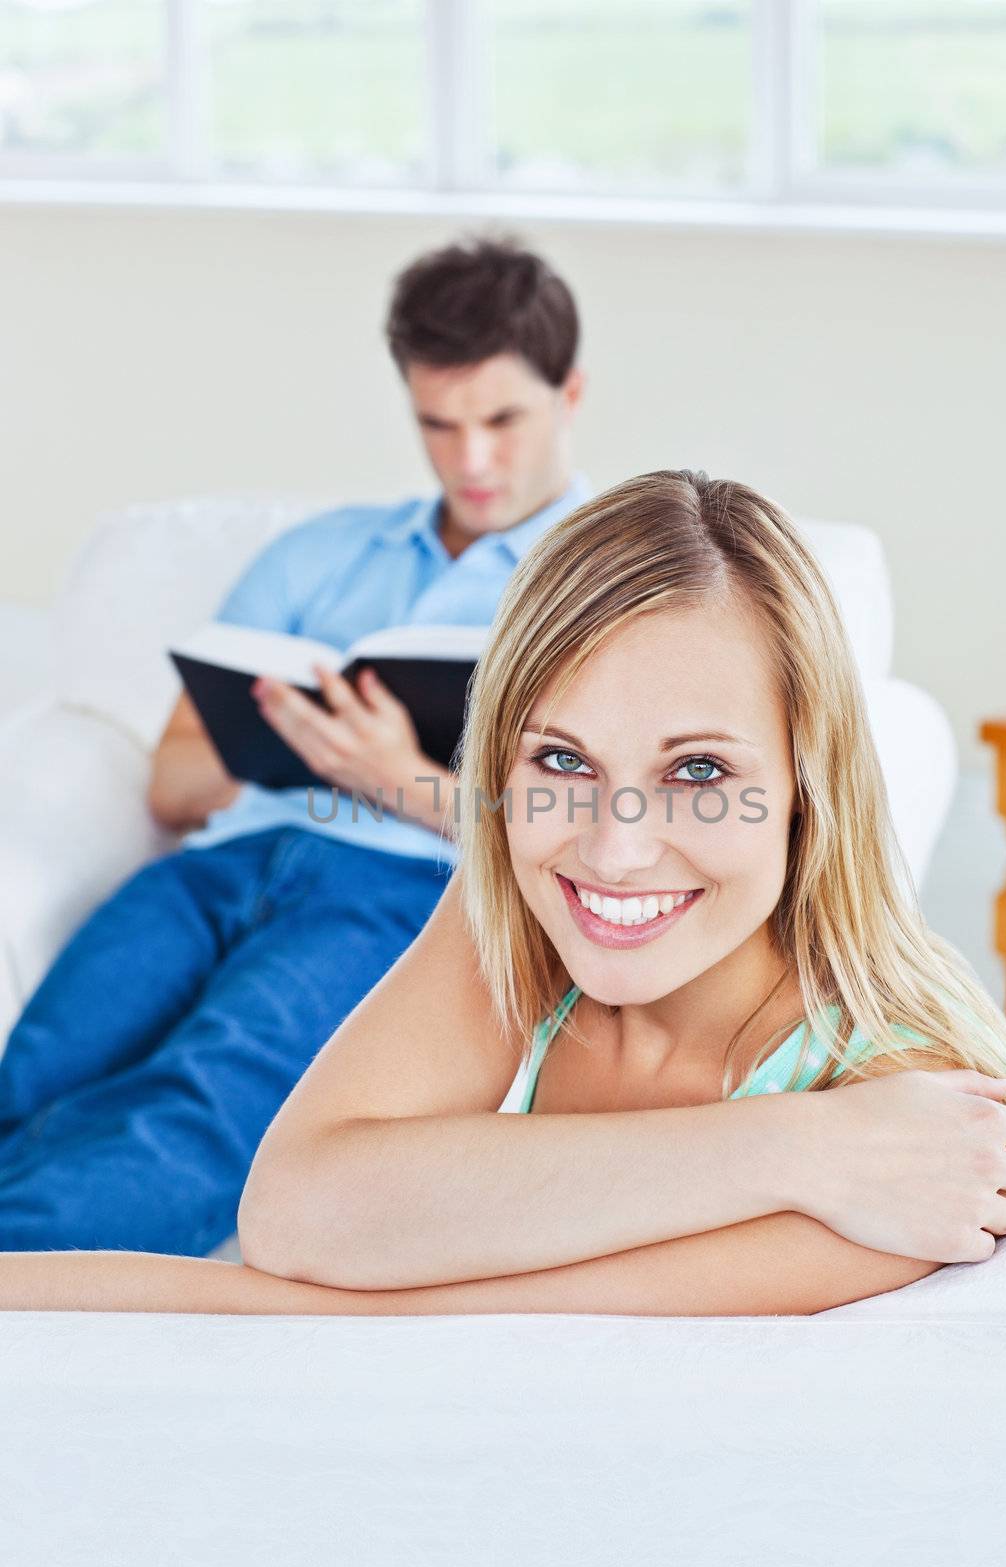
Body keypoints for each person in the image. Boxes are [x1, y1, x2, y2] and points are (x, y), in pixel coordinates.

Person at [0, 471, 1006, 1317]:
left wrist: (399, 1255)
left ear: (803, 788)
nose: (615, 850)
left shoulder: (918, 1089)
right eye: (561, 759)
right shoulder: (520, 908)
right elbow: (297, 1214)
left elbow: (412, 1307)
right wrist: (794, 1146)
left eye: (697, 772)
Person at [0, 234, 588, 1258]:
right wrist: (292, 735)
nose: (472, 459)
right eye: (438, 424)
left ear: (567, 395)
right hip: (216, 870)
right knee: (41, 1069)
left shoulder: (599, 579)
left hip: (403, 894)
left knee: (202, 1109)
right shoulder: (316, 555)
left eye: (501, 418)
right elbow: (174, 784)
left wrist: (394, 778)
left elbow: (590, 829)